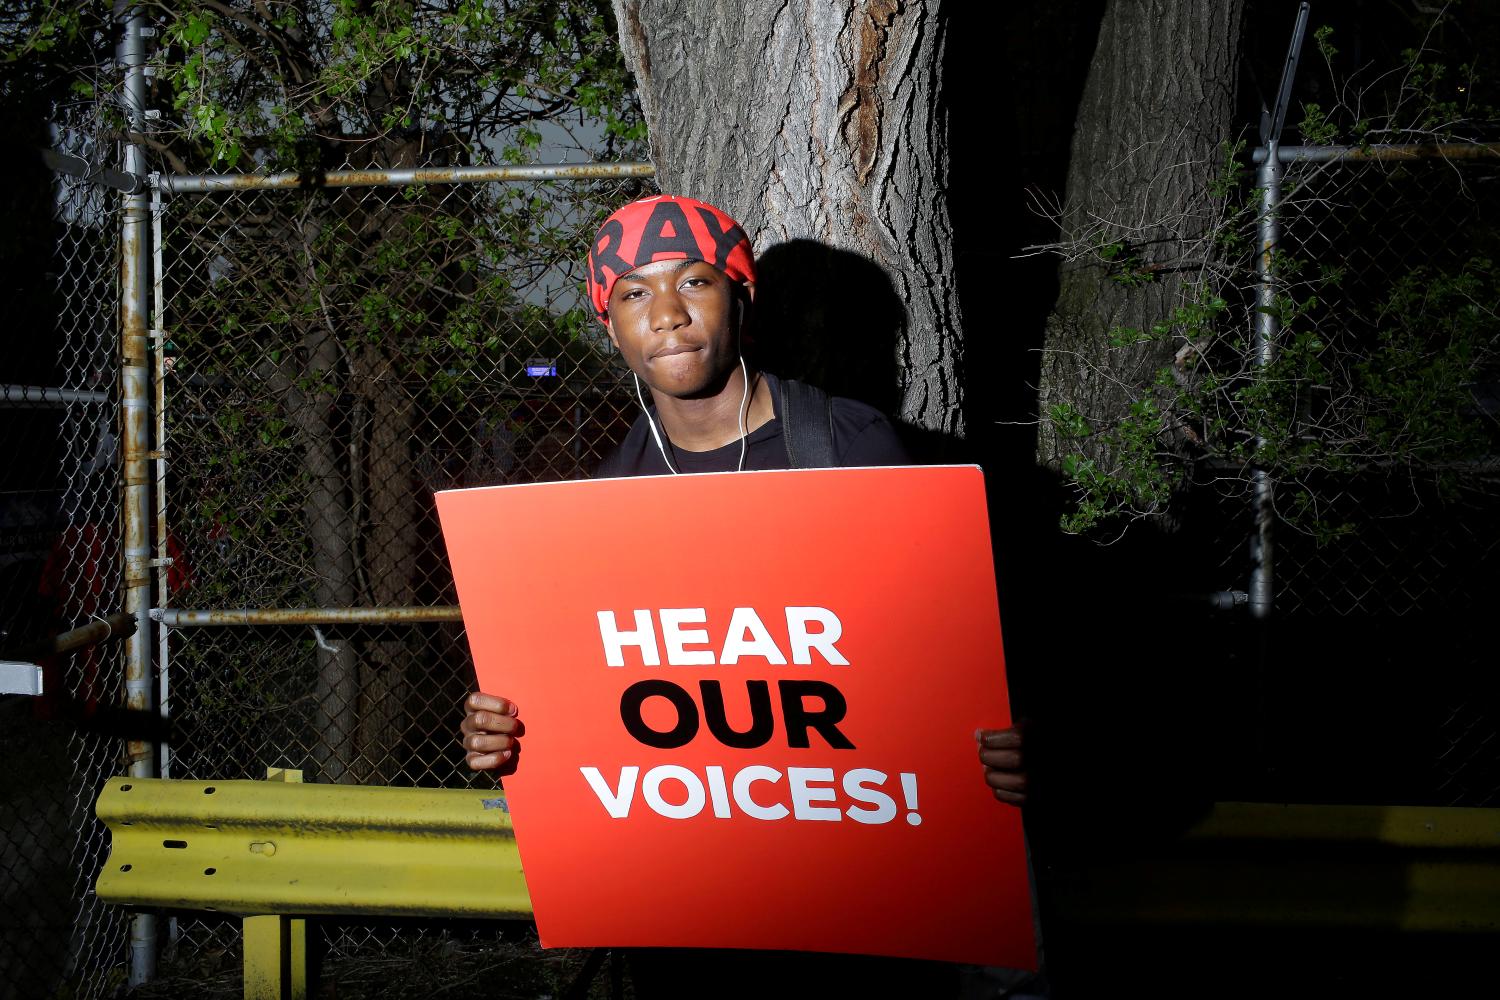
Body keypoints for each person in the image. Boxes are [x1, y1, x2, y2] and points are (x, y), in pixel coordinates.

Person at [458, 195, 1030, 993]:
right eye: (633, 293)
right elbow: (604, 707)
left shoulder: (848, 446)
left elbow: (937, 656)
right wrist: (512, 733)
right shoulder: (598, 506)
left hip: (857, 914)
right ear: (608, 325)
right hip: (692, 929)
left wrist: (999, 737)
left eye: (694, 282)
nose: (665, 314)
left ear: (740, 298)